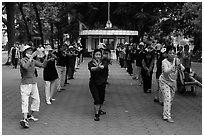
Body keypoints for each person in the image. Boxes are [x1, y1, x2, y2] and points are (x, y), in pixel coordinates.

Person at [19, 45, 48, 128]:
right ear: (24, 52)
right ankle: (24, 119)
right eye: (28, 51)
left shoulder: (33, 60)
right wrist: (31, 57)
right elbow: (25, 67)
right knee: (25, 101)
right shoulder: (22, 60)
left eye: (31, 51)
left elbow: (43, 65)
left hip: (33, 83)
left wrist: (46, 56)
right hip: (25, 83)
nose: (30, 52)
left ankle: (29, 115)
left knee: (37, 100)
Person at [159, 46, 185, 123]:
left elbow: (183, 69)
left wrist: (179, 65)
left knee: (170, 99)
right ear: (167, 54)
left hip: (173, 82)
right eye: (170, 53)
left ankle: (165, 114)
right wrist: (174, 66)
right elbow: (166, 71)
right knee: (167, 98)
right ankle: (168, 116)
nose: (172, 55)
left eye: (173, 53)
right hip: (164, 81)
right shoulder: (164, 62)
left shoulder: (176, 60)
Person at [88, 49, 108, 121]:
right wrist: (97, 67)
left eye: (99, 55)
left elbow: (104, 67)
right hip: (93, 83)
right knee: (97, 99)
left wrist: (100, 66)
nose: (98, 56)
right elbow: (91, 69)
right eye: (96, 55)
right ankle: (97, 114)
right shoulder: (91, 63)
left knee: (101, 99)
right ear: (94, 55)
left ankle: (99, 110)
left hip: (102, 83)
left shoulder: (104, 62)